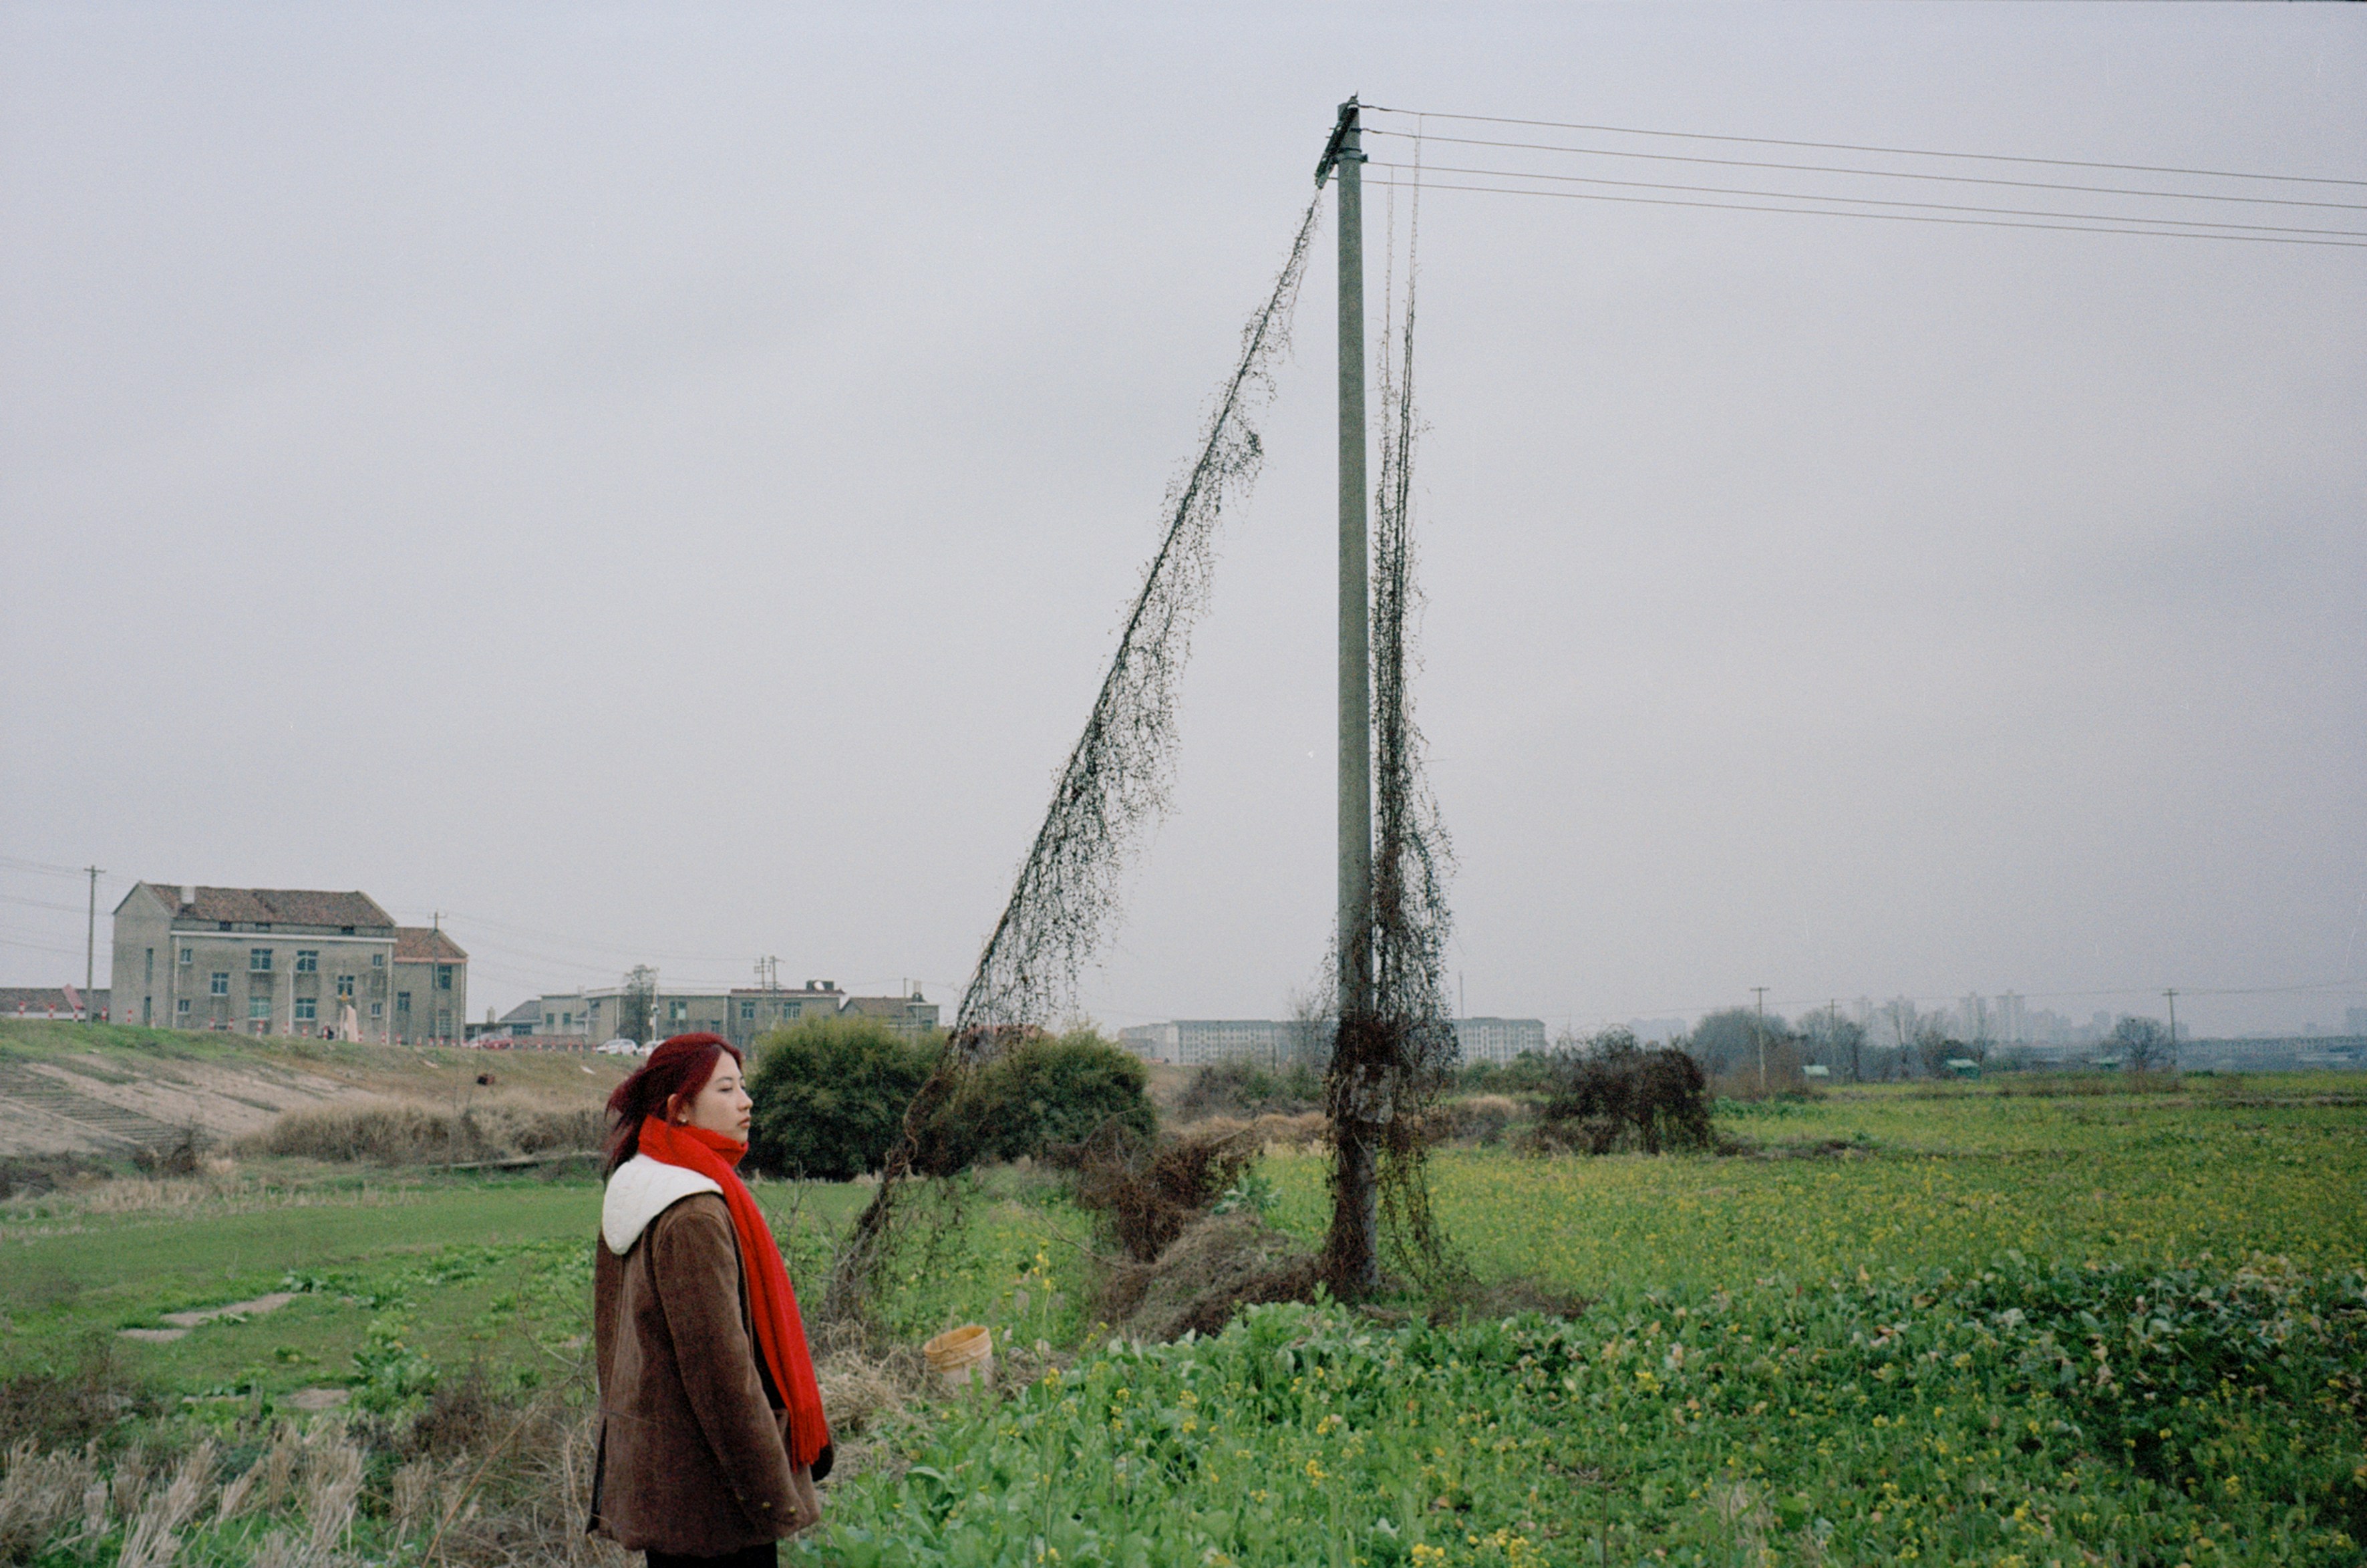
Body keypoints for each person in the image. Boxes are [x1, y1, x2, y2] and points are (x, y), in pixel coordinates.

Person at [589, 1034, 832, 1567]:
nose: (746, 1100)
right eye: (726, 1088)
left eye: (743, 1086)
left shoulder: (639, 1187)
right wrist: (770, 1493)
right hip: (715, 1501)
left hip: (666, 1484)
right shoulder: (693, 1212)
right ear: (678, 1109)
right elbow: (723, 1377)